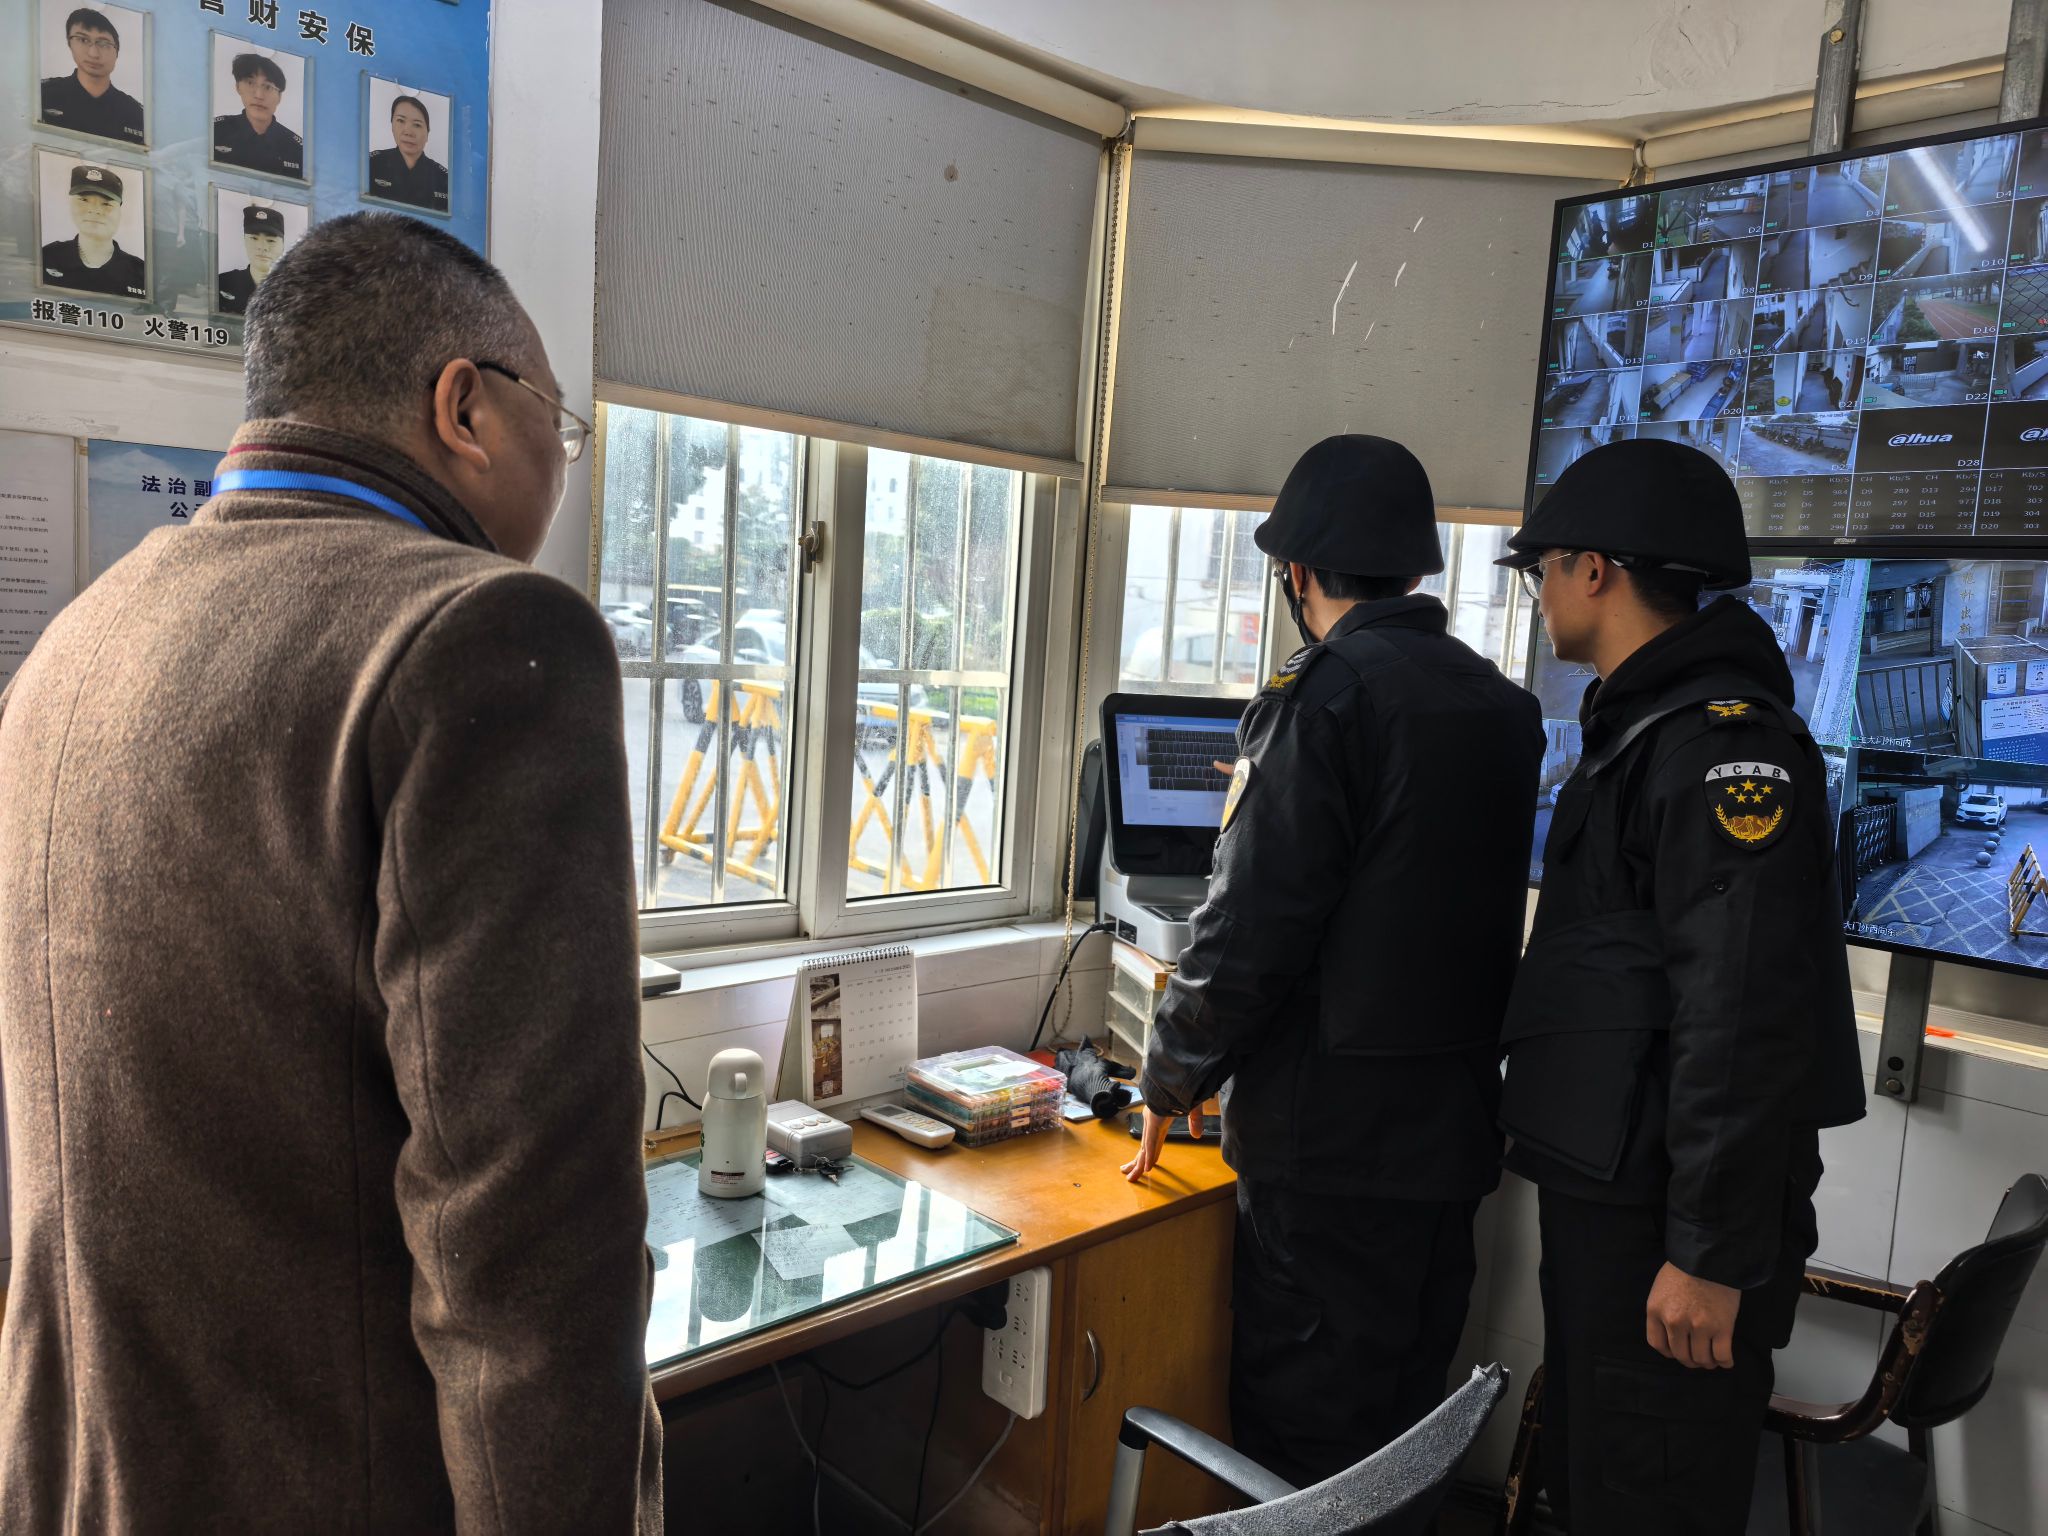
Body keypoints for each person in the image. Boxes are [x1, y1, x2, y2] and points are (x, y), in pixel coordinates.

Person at [0, 213, 656, 1531]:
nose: (561, 464)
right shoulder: (483, 635)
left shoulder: (72, 648)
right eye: (561, 426)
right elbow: (529, 1265)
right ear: (464, 408)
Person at [1122, 434, 1546, 1488]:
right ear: (1412, 570)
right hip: (1450, 1139)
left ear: (1297, 572)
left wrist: (1168, 1078)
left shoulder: (1323, 700)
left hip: (1328, 1154)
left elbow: (1247, 931)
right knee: (1404, 1444)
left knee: (1305, 1457)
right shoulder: (1502, 707)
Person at [1493, 438, 1864, 1536]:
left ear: (1593, 570)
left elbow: (1739, 1017)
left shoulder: (1718, 753)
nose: (1540, 592)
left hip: (1664, 1231)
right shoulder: (1646, 729)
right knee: (1599, 1485)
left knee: (1649, 1498)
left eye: (1543, 568)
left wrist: (1706, 1255)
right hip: (1617, 1204)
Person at [39, 7, 145, 145]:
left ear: (116, 53)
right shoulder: (42, 94)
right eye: (83, 40)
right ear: (69, 43)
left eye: (104, 43)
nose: (93, 53)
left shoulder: (136, 114)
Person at [39, 162, 145, 299]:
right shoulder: (48, 256)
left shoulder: (140, 272)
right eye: (84, 200)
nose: (94, 210)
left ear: (120, 211)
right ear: (70, 204)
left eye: (106, 203)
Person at [213, 51, 304, 180]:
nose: (259, 95)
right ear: (238, 87)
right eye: (250, 83)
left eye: (268, 87)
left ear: (279, 97)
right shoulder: (214, 131)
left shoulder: (297, 149)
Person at [369, 94, 452, 214]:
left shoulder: (444, 179)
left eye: (417, 125)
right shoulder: (371, 163)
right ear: (392, 125)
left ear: (427, 133)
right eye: (401, 121)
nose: (408, 132)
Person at [217, 202, 287, 316]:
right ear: (244, 241)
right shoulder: (223, 283)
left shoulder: (295, 292)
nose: (262, 247)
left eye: (271, 240)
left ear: (283, 246)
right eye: (254, 238)